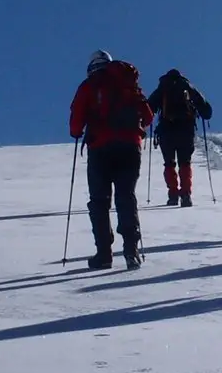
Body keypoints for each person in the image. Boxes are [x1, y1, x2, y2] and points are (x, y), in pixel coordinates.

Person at [68, 50, 154, 270]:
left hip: (100, 149)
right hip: (130, 147)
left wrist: (79, 131)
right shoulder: (128, 84)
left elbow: (76, 125)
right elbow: (149, 116)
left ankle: (104, 255)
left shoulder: (88, 87)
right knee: (126, 197)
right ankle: (131, 251)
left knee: (99, 201)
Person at [147, 69, 213, 206]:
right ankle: (186, 194)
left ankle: (172, 195)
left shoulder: (163, 87)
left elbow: (149, 107)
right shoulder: (188, 86)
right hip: (186, 130)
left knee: (169, 163)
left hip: (167, 130)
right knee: (185, 162)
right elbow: (206, 111)